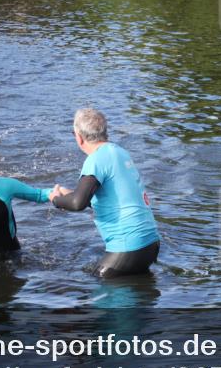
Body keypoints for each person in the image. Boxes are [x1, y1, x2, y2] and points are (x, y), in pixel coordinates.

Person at [51, 109, 160, 278]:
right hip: (151, 244)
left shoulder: (95, 159)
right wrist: (71, 195)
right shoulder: (120, 152)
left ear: (79, 137)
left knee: (90, 285)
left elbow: (77, 204)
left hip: (129, 247)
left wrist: (57, 199)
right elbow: (113, 198)